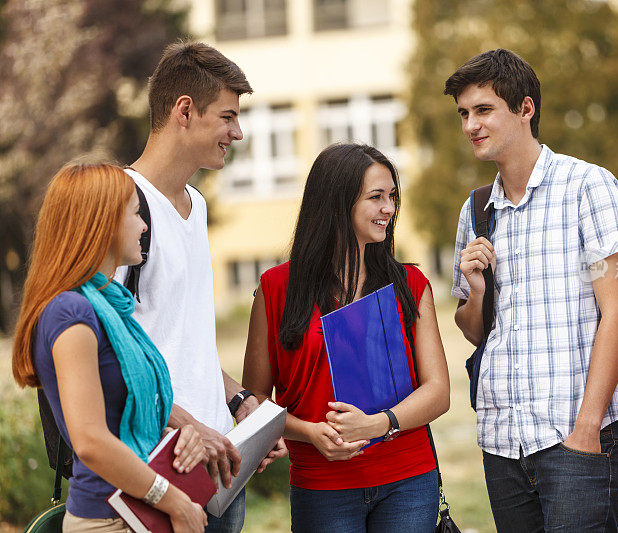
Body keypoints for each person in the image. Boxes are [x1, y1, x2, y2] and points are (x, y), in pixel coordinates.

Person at [448, 49, 618, 532]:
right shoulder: (475, 212)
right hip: (502, 442)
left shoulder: (590, 187)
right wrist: (474, 290)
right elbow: (475, 332)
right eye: (464, 114)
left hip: (576, 439)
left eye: (484, 110)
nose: (471, 124)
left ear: (525, 108)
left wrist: (588, 428)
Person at [112, 41, 286, 532]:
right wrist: (189, 425)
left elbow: (183, 343)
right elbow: (109, 355)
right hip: (162, 475)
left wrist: (238, 402)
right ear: (184, 111)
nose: (239, 132)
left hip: (223, 469)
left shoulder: (196, 204)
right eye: (227, 116)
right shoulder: (124, 207)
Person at [241, 143, 450, 532]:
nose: (389, 208)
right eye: (376, 197)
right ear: (337, 203)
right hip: (322, 485)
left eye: (392, 196)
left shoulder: (410, 284)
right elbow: (253, 403)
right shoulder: (275, 288)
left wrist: (380, 424)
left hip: (408, 479)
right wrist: (308, 432)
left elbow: (438, 391)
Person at [12, 163, 208, 532]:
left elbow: (121, 422)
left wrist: (175, 439)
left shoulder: (112, 305)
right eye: (136, 213)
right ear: (101, 223)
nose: (145, 227)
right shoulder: (70, 312)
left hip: (139, 511)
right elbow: (89, 441)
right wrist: (174, 500)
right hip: (109, 519)